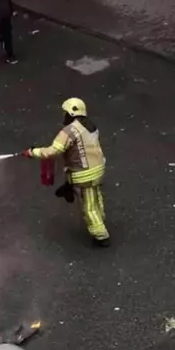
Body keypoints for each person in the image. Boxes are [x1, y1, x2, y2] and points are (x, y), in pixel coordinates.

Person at [25, 97, 110, 247]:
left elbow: (54, 150)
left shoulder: (70, 130)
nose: (64, 116)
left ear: (71, 113)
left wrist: (33, 152)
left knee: (88, 207)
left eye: (65, 113)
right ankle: (100, 218)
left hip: (85, 174)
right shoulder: (90, 125)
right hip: (98, 169)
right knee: (95, 198)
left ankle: (101, 235)